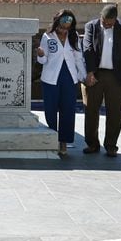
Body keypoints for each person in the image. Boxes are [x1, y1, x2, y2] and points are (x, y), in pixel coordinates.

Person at [82, 4, 121, 157]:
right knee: (91, 110)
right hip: (96, 74)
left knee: (115, 112)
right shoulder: (91, 26)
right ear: (101, 16)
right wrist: (90, 72)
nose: (107, 24)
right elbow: (88, 49)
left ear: (115, 19)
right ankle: (92, 144)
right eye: (105, 21)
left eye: (110, 22)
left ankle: (111, 145)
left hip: (116, 76)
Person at [36, 9, 86, 157]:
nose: (64, 30)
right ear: (56, 23)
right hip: (50, 79)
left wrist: (83, 76)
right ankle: (52, 140)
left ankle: (64, 141)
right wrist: (40, 55)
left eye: (67, 27)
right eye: (62, 27)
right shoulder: (47, 36)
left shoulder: (74, 36)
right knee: (50, 111)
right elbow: (44, 60)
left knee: (68, 111)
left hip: (69, 78)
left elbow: (78, 58)